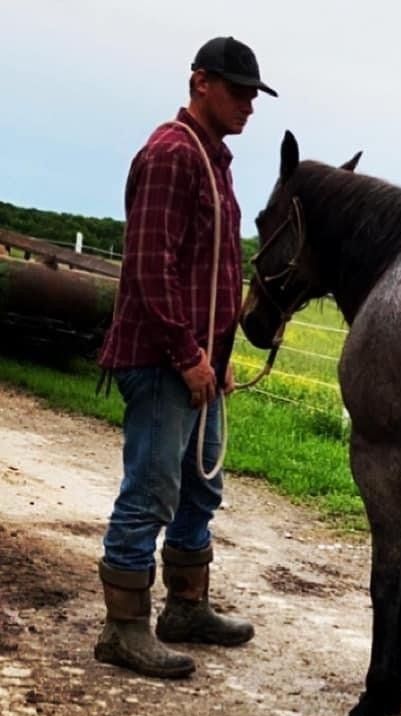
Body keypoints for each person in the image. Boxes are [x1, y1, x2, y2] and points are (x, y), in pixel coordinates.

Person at [95, 37, 277, 679]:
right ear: (200, 82)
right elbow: (152, 267)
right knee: (151, 489)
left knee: (201, 487)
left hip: (198, 358)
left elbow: (212, 271)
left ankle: (186, 607)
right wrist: (187, 354)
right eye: (236, 90)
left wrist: (218, 354)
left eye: (254, 95)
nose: (247, 105)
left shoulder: (212, 160)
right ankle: (123, 628)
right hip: (161, 358)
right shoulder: (173, 155)